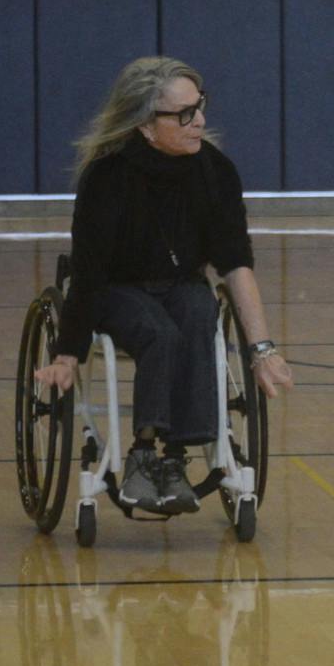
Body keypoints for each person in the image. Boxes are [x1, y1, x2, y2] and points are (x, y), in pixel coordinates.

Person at [33, 57, 294, 516]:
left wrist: (262, 349)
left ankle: (175, 459)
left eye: (201, 106)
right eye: (185, 114)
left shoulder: (215, 172)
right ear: (146, 125)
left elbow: (235, 264)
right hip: (114, 288)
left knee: (200, 312)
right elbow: (90, 274)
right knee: (158, 330)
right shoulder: (107, 177)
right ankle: (142, 452)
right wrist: (67, 354)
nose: (201, 121)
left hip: (179, 283)